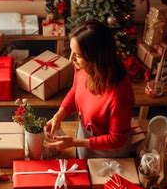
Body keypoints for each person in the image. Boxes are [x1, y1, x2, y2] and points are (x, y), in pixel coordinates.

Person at [45, 19, 135, 159]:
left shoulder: (119, 94)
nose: (70, 59)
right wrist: (59, 115)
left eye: (78, 55)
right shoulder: (84, 67)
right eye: (72, 52)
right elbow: (76, 90)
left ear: (96, 57)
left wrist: (75, 143)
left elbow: (117, 139)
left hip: (108, 151)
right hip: (85, 135)